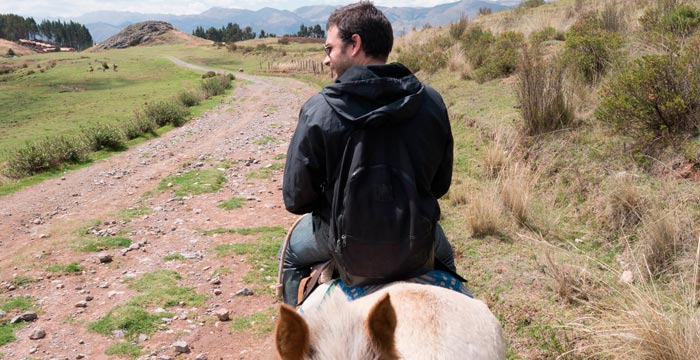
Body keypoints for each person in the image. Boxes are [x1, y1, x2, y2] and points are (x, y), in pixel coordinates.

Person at [281, 1, 457, 307]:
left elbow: (297, 200)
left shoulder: (318, 110)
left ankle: (292, 338)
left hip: (341, 241)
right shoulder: (431, 101)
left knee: (292, 257)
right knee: (447, 260)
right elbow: (440, 185)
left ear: (355, 44)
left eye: (329, 49)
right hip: (415, 236)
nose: (326, 60)